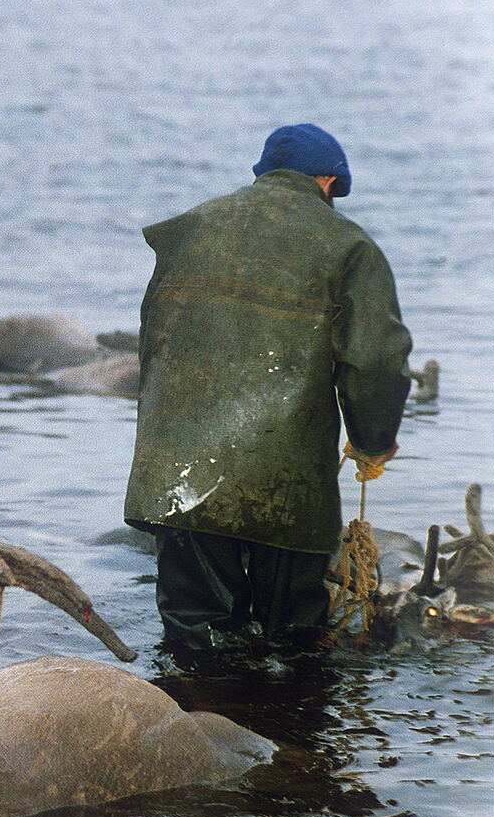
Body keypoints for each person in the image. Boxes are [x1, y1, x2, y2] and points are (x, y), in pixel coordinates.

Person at [124, 124, 412, 662]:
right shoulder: (348, 245)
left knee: (195, 635)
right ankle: (288, 736)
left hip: (178, 475)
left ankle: (194, 727)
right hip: (284, 480)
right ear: (327, 180)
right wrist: (373, 441)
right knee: (293, 637)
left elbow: (154, 340)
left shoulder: (191, 227)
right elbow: (374, 358)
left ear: (265, 174)